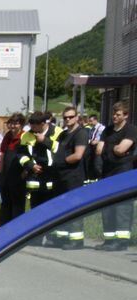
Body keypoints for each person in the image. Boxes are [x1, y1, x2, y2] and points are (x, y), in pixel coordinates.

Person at [95, 102, 136, 250]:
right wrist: (113, 149)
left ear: (126, 115)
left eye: (118, 114)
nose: (115, 117)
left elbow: (122, 149)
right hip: (107, 170)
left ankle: (122, 241)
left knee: (122, 206)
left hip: (123, 171)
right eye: (114, 114)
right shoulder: (108, 130)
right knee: (107, 205)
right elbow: (99, 150)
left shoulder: (130, 130)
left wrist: (108, 147)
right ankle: (109, 239)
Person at [49, 106, 89, 249]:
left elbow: (78, 155)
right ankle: (62, 237)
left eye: (71, 117)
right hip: (61, 175)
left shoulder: (81, 133)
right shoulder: (64, 134)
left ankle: (76, 240)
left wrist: (62, 161)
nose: (67, 119)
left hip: (73, 176)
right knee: (61, 207)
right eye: (65, 117)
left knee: (73, 207)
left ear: (77, 117)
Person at [17, 111, 62, 215]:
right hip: (34, 179)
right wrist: (30, 165)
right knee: (36, 212)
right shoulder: (26, 135)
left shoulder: (57, 132)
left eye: (34, 125)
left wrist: (45, 140)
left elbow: (61, 151)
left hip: (52, 177)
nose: (31, 128)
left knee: (52, 210)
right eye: (30, 125)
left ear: (43, 124)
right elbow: (21, 154)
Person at [0, 113, 27, 225]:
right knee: (5, 203)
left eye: (16, 123)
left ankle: (17, 229)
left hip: (18, 176)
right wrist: (1, 172)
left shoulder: (25, 136)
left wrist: (25, 172)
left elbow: (29, 156)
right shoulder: (7, 136)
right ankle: (4, 228)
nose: (13, 126)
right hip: (6, 175)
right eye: (11, 123)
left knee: (17, 204)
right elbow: (3, 154)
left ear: (21, 124)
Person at [84, 113, 106, 184]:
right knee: (91, 164)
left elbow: (104, 138)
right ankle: (92, 179)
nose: (89, 122)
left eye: (91, 121)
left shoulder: (101, 128)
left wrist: (97, 141)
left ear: (95, 120)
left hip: (98, 148)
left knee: (98, 165)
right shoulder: (92, 129)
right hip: (91, 148)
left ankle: (100, 179)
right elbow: (90, 137)